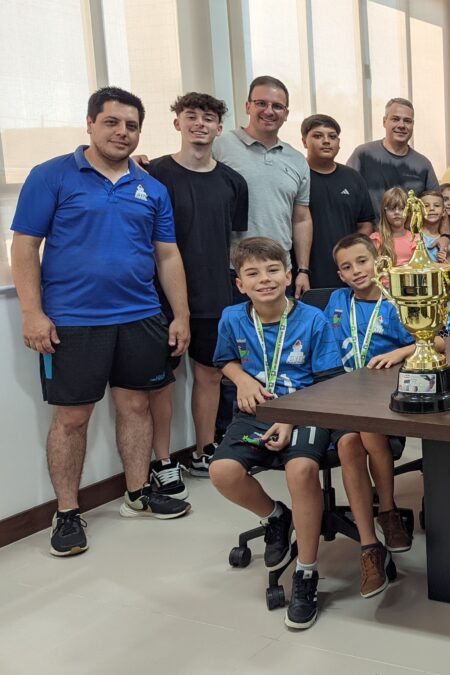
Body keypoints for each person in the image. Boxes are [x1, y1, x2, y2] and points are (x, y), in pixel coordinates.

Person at [12, 87, 194, 556]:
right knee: (72, 418)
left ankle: (136, 494)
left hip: (140, 317)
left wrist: (180, 315)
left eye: (131, 125)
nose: (122, 132)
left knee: (136, 407)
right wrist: (32, 312)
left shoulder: (151, 188)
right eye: (112, 122)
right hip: (73, 322)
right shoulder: (51, 175)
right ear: (90, 124)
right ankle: (68, 513)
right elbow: (25, 246)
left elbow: (167, 255)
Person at [208, 237, 343, 629]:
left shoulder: (312, 320)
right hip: (255, 412)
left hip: (308, 408)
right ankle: (276, 517)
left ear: (288, 275)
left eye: (272, 271)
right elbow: (225, 360)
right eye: (253, 273)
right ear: (240, 284)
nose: (264, 280)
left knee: (300, 470)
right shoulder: (232, 318)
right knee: (223, 471)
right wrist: (242, 380)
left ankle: (305, 573)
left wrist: (291, 417)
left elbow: (329, 381)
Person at [325, 234, 440, 597]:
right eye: (347, 266)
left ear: (380, 260)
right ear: (340, 275)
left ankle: (385, 517)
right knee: (349, 442)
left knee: (362, 436)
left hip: (382, 402)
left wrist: (402, 352)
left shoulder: (396, 301)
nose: (356, 271)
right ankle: (371, 540)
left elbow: (436, 340)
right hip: (341, 398)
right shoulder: (336, 300)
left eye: (362, 261)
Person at [145, 92, 249, 489]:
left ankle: (205, 449)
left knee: (208, 376)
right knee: (161, 384)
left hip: (214, 294)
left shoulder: (233, 182)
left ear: (219, 129)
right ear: (178, 124)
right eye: (191, 117)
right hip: (158, 299)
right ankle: (163, 460)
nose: (200, 124)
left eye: (208, 118)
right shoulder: (153, 174)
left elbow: (233, 241)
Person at [212, 75, 314, 297]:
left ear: (286, 114)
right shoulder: (219, 147)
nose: (269, 111)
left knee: (280, 332)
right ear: (248, 106)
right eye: (261, 103)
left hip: (280, 271)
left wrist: (302, 269)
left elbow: (301, 218)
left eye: (277, 106)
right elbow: (185, 165)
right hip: (234, 271)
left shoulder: (297, 160)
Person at [301, 114, 376, 289]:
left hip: (348, 273)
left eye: (332, 136)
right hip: (307, 273)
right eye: (318, 136)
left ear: (339, 143)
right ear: (304, 141)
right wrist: (302, 270)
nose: (326, 141)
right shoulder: (297, 177)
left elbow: (365, 224)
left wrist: (354, 259)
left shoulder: (353, 178)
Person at [347, 97, 439, 208]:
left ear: (413, 125)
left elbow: (437, 207)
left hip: (409, 226)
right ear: (384, 122)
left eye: (407, 121)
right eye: (395, 119)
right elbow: (345, 196)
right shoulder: (363, 155)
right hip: (371, 225)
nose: (401, 125)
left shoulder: (423, 164)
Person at [372, 187, 419, 265]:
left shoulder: (416, 239)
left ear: (408, 212)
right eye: (391, 209)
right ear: (384, 212)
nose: (397, 212)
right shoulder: (376, 239)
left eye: (402, 208)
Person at [418, 190, 450, 262]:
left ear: (443, 211)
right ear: (419, 211)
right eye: (426, 206)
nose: (431, 209)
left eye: (437, 205)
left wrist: (448, 261)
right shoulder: (413, 238)